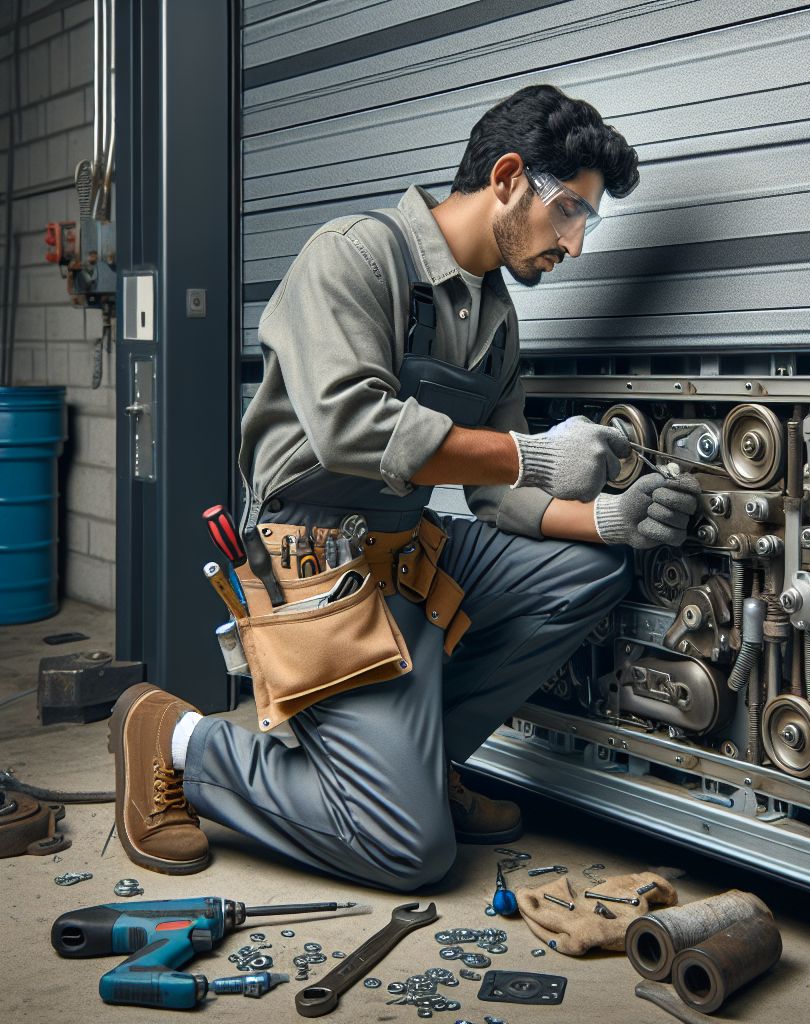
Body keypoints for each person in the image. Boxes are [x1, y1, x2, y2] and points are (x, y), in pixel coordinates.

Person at [109, 85, 700, 887]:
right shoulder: (355, 254)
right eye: (570, 214)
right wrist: (533, 456)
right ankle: (179, 741)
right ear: (508, 178)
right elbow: (350, 428)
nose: (576, 247)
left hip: (407, 554)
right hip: (316, 560)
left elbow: (498, 499)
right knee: (408, 853)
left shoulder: (496, 320)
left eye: (586, 224)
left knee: (588, 570)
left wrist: (610, 517)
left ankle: (419, 768)